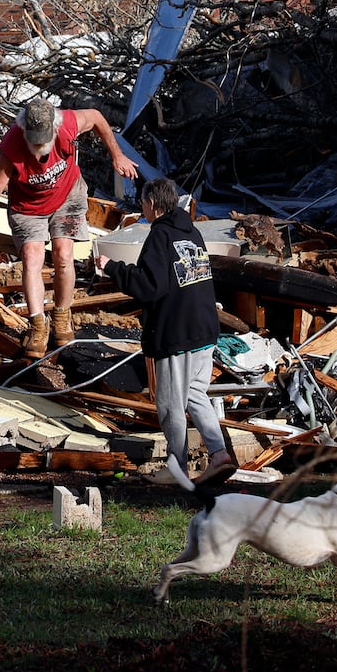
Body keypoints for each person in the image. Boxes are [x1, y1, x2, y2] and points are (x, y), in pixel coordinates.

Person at [0, 97, 140, 359]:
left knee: (63, 255)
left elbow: (97, 116)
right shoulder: (12, 148)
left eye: (44, 143)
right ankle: (38, 324)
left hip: (68, 196)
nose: (39, 150)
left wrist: (117, 155)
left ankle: (62, 315)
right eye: (35, 144)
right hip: (29, 207)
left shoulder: (69, 124)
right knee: (31, 258)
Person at [94, 177, 234, 490]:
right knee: (196, 394)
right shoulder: (192, 232)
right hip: (205, 329)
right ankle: (220, 453)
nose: (142, 209)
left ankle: (177, 466)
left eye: (143, 203)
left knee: (171, 403)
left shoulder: (160, 236)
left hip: (178, 332)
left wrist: (112, 267)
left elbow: (149, 287)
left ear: (153, 205)